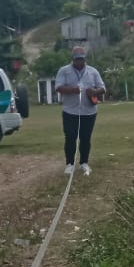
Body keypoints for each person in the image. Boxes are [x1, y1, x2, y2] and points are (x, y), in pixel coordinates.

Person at [54, 44, 106, 177]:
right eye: (77, 59)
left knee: (85, 138)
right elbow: (58, 87)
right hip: (70, 111)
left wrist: (94, 91)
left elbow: (103, 88)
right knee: (70, 138)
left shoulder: (93, 72)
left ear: (85, 58)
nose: (79, 62)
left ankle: (84, 163)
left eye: (81, 59)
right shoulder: (64, 71)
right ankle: (70, 164)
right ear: (73, 58)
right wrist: (72, 90)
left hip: (89, 112)